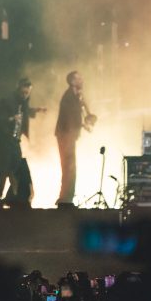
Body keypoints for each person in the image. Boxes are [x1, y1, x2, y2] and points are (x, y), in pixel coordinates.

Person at [0, 78, 44, 207]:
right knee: (1, 168)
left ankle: (14, 196)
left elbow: (25, 111)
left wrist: (35, 110)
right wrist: (12, 118)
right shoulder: (6, 101)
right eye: (24, 92)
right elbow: (1, 119)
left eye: (28, 93)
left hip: (14, 140)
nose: (25, 95)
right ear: (18, 89)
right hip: (3, 139)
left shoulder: (24, 102)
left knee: (17, 166)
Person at [55, 71, 96, 207]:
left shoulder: (76, 96)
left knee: (70, 166)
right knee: (69, 166)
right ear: (72, 81)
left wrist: (85, 121)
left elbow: (77, 116)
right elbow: (70, 118)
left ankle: (66, 198)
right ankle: (65, 199)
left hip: (69, 135)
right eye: (79, 78)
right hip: (65, 135)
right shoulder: (68, 97)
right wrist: (83, 125)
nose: (82, 80)